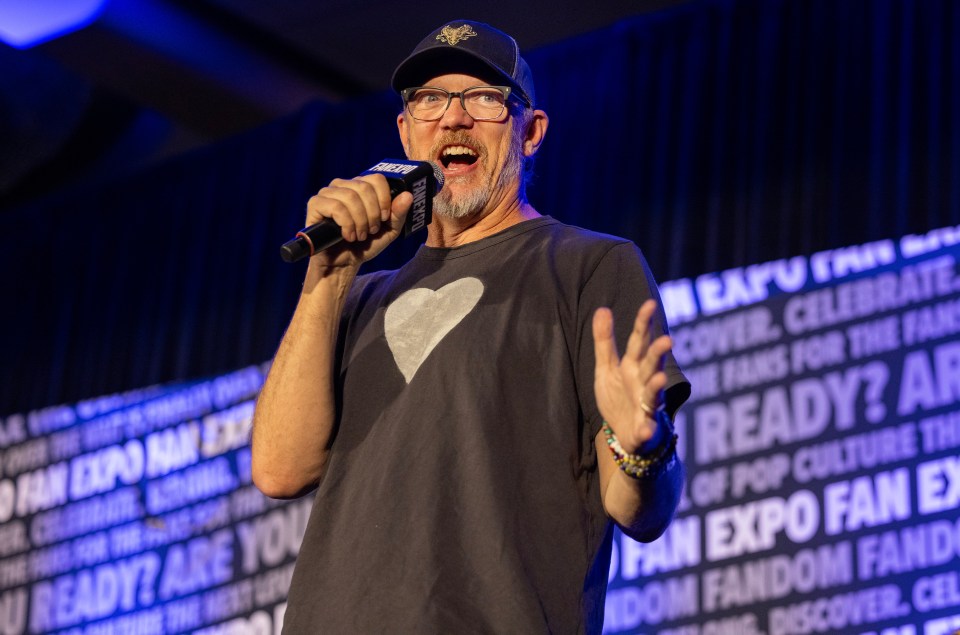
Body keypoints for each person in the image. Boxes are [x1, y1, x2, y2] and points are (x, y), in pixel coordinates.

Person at [251, 19, 690, 634]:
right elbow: (279, 468)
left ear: (530, 132)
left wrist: (644, 448)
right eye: (430, 100)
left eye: (484, 98)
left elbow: (638, 511)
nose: (453, 119)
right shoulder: (359, 297)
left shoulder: (589, 265)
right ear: (406, 134)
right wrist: (329, 274)